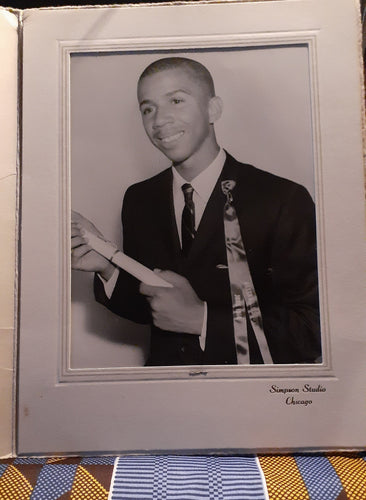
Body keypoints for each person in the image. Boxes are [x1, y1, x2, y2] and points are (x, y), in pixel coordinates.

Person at [71, 57, 321, 366]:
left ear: (213, 109)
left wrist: (202, 321)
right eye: (148, 109)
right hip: (165, 398)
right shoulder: (139, 199)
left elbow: (314, 330)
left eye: (176, 100)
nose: (159, 120)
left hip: (251, 400)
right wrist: (107, 267)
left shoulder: (283, 198)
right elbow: (153, 307)